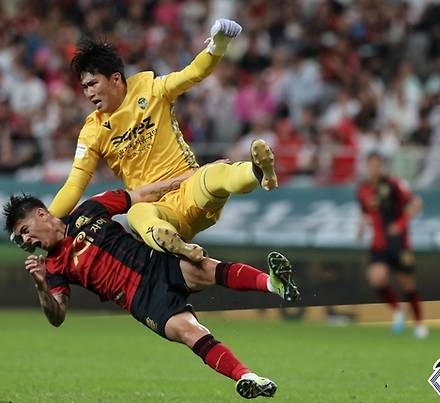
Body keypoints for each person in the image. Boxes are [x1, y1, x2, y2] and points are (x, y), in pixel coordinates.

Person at [3, 185, 299, 399]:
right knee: (188, 331)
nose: (27, 240)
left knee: (206, 267)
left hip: (155, 263)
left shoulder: (90, 209)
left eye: (25, 230)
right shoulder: (53, 267)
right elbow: (58, 317)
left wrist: (194, 177)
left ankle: (274, 284)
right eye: (20, 240)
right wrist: (41, 287)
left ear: (42, 214)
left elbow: (142, 195)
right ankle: (247, 376)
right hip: (141, 300)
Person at [49, 19, 279, 262]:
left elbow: (193, 73)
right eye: (85, 87)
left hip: (190, 188)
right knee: (137, 213)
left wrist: (217, 47)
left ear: (115, 79)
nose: (89, 93)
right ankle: (177, 246)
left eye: (93, 83)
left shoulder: (152, 90)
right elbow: (75, 185)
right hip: (159, 208)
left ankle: (257, 171)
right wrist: (48, 220)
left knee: (215, 174)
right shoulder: (92, 131)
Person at [356, 152, 428, 339]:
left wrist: (400, 224)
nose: (373, 168)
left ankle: (420, 324)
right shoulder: (363, 189)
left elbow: (416, 203)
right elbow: (366, 211)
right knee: (376, 279)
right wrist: (362, 225)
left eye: (376, 165)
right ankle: (398, 309)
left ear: (382, 166)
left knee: (408, 284)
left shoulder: (394, 184)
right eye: (370, 165)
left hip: (398, 242)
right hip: (378, 243)